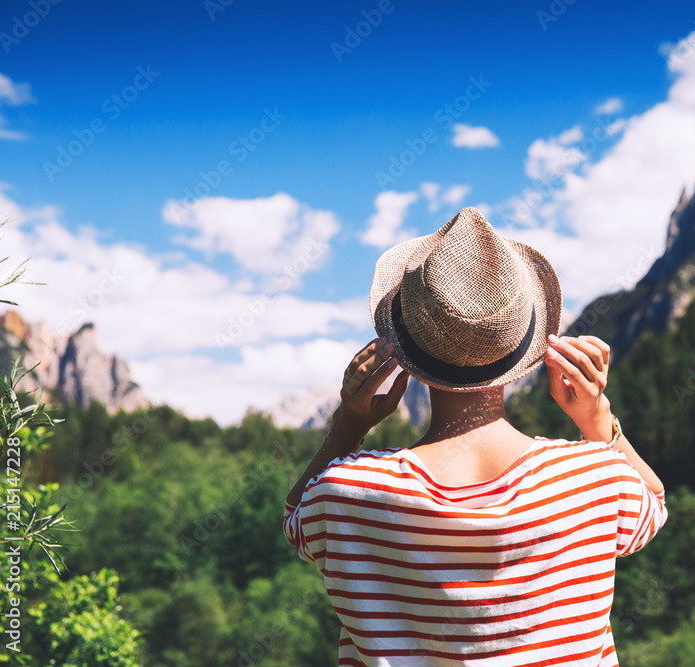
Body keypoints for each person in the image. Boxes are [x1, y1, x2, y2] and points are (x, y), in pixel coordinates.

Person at [284, 207, 666, 666]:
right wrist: (596, 418)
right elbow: (653, 502)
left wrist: (347, 427)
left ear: (405, 352)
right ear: (523, 344)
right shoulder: (594, 478)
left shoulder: (345, 490)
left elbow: (295, 517)